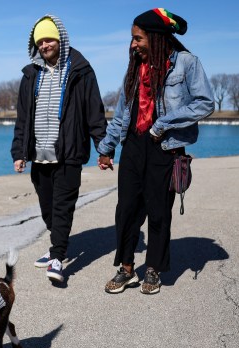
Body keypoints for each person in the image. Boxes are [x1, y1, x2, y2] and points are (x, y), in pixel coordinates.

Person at [98, 8, 214, 294]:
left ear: (155, 36)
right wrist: (107, 147)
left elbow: (205, 102)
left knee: (159, 211)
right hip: (134, 146)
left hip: (166, 147)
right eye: (132, 39)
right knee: (125, 210)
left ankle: (153, 269)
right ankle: (126, 269)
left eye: (138, 38)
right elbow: (122, 114)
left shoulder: (187, 63)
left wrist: (163, 123)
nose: (133, 44)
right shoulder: (135, 68)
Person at [11, 15, 107, 284]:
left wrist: (103, 147)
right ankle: (58, 243)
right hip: (39, 155)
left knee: (63, 206)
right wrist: (19, 152)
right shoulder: (30, 75)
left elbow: (94, 112)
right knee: (48, 208)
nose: (44, 44)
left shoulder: (80, 70)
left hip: (69, 153)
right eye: (40, 41)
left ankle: (57, 256)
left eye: (49, 39)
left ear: (61, 39)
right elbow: (22, 119)